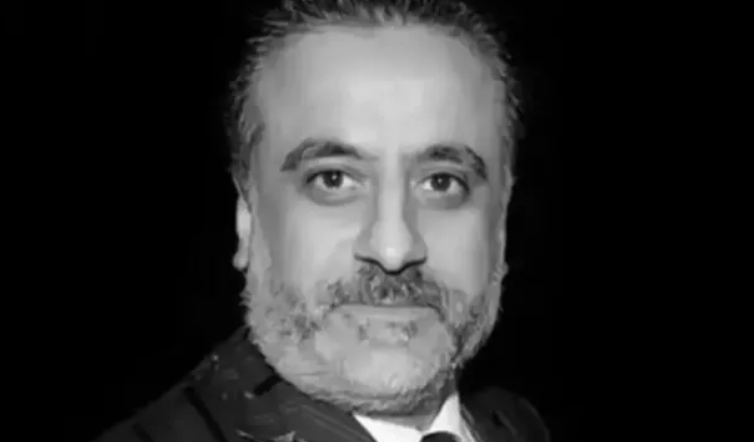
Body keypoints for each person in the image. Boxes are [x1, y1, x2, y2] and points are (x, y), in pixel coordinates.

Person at [93, 0, 550, 441]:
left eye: (442, 183)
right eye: (333, 180)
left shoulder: (516, 424)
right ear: (247, 215)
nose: (393, 249)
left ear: (502, 222)